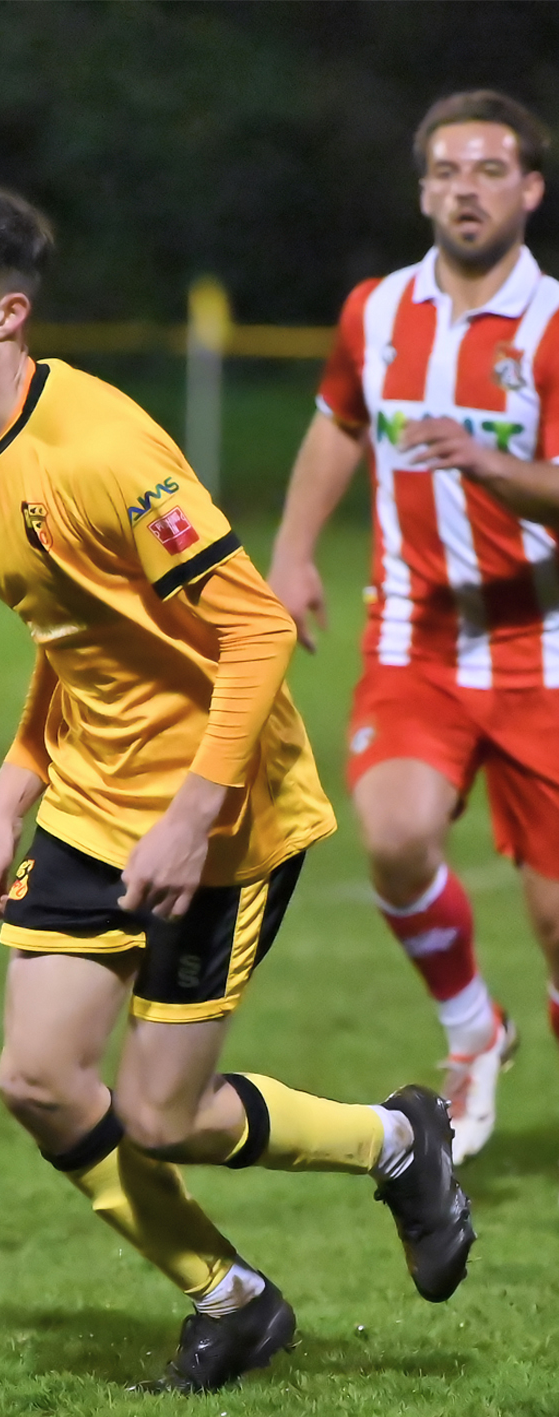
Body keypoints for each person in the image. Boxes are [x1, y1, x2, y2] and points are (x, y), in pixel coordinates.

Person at [0, 177, 472, 1393]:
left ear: (8, 316)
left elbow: (256, 629)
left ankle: (398, 1141)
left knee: (161, 1116)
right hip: (94, 806)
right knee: (39, 1082)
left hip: (226, 814)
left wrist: (194, 814)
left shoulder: (101, 449)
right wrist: (5, 806)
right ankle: (234, 1297)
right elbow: (75, 652)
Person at [267, 90, 559, 1165]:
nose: (464, 190)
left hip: (544, 649)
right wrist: (295, 550)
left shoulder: (555, 326)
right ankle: (472, 1031)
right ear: (422, 189)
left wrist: (492, 463)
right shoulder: (375, 312)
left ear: (529, 189)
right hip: (415, 640)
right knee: (391, 834)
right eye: (445, 172)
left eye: (488, 170)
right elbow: (340, 424)